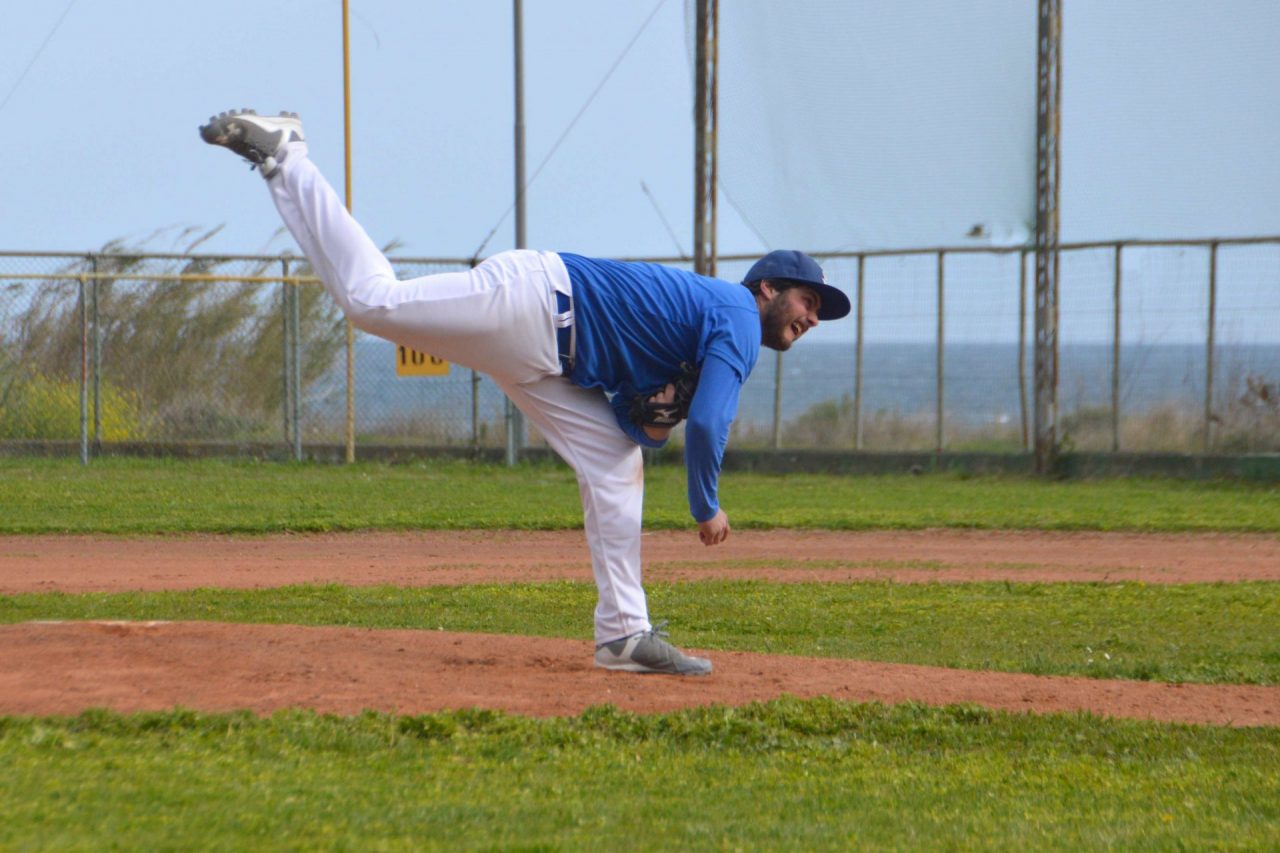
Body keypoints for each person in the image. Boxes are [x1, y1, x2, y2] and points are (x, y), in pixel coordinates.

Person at [200, 109, 850, 676]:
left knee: (615, 463)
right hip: (536, 302)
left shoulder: (705, 323)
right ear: (768, 289)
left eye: (820, 311)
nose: (813, 317)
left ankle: (624, 633)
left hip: (549, 353)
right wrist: (706, 505)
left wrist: (649, 423)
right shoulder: (738, 317)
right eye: (808, 300)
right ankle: (288, 156)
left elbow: (636, 425)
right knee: (374, 300)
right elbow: (707, 423)